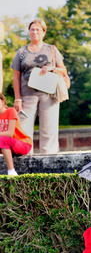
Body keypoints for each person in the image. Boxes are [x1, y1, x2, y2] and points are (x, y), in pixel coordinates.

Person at [11, 18, 68, 154]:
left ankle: (49, 160)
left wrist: (51, 68)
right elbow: (16, 76)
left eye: (38, 29)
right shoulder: (21, 52)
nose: (34, 32)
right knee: (24, 128)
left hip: (49, 94)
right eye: (32, 29)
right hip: (27, 95)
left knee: (49, 128)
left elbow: (63, 71)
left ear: (43, 32)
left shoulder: (52, 49)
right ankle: (25, 159)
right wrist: (17, 98)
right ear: (29, 32)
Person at [0, 93, 32, 175]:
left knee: (2, 139)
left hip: (23, 143)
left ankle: (12, 172)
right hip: (8, 146)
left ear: (3, 101)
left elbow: (10, 134)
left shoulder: (11, 111)